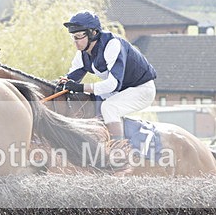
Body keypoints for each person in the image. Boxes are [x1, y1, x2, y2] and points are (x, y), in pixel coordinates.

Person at [58, 12, 157, 140]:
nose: (75, 42)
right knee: (89, 103)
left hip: (142, 89)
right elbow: (70, 80)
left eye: (78, 37)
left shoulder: (112, 45)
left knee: (109, 107)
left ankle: (117, 149)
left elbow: (113, 84)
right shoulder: (82, 54)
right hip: (120, 90)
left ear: (93, 33)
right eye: (73, 37)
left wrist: (81, 87)